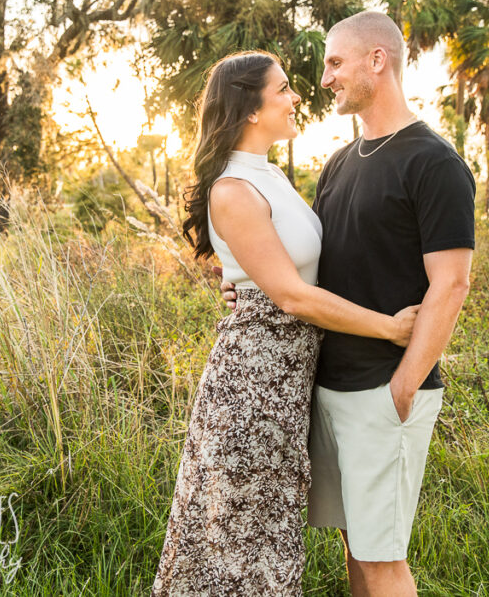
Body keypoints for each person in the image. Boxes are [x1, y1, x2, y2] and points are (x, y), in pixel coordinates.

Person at [222, 12, 476, 596]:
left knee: (382, 558)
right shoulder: (338, 163)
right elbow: (311, 267)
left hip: (383, 391)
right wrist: (243, 283)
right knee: (356, 549)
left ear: (377, 61)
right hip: (326, 386)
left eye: (336, 62)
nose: (326, 77)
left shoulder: (433, 162)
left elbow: (452, 284)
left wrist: (405, 385)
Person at [152, 50, 422, 597]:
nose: (297, 96)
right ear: (250, 108)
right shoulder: (232, 188)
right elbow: (294, 296)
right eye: (283, 90)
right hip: (252, 390)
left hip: (287, 384)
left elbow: (281, 269)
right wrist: (390, 329)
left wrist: (239, 283)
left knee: (267, 541)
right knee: (242, 548)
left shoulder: (268, 174)